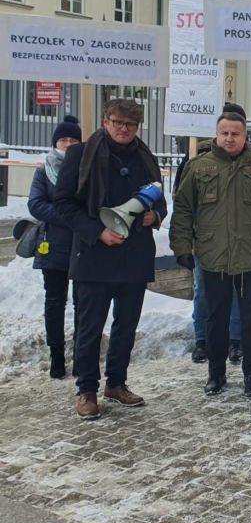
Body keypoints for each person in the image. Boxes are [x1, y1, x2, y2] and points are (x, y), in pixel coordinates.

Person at [170, 111, 251, 398]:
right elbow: (184, 210)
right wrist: (181, 247)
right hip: (213, 257)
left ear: (244, 136)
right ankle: (216, 374)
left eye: (235, 133)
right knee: (216, 320)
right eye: (224, 133)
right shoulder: (199, 167)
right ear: (217, 134)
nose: (229, 138)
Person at [53, 99, 167, 419]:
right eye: (116, 122)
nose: (122, 128)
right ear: (105, 121)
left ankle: (116, 383)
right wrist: (97, 232)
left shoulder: (147, 157)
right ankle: (87, 390)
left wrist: (154, 216)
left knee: (126, 326)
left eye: (129, 124)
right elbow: (63, 203)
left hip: (134, 256)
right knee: (90, 328)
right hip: (94, 255)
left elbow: (161, 199)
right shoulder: (80, 154)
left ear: (137, 127)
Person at [174, 134, 242, 365]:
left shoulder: (245, 159)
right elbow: (181, 200)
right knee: (203, 291)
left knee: (234, 291)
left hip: (237, 241)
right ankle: (202, 340)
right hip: (205, 241)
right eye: (225, 132)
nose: (229, 138)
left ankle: (234, 340)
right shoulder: (196, 158)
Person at [28, 114, 82, 379]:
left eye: (74, 140)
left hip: (83, 246)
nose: (68, 144)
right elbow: (36, 204)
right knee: (55, 302)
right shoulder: (43, 171)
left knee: (83, 302)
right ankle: (57, 355)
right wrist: (70, 217)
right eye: (64, 139)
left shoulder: (87, 169)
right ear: (55, 143)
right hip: (54, 246)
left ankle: (82, 353)